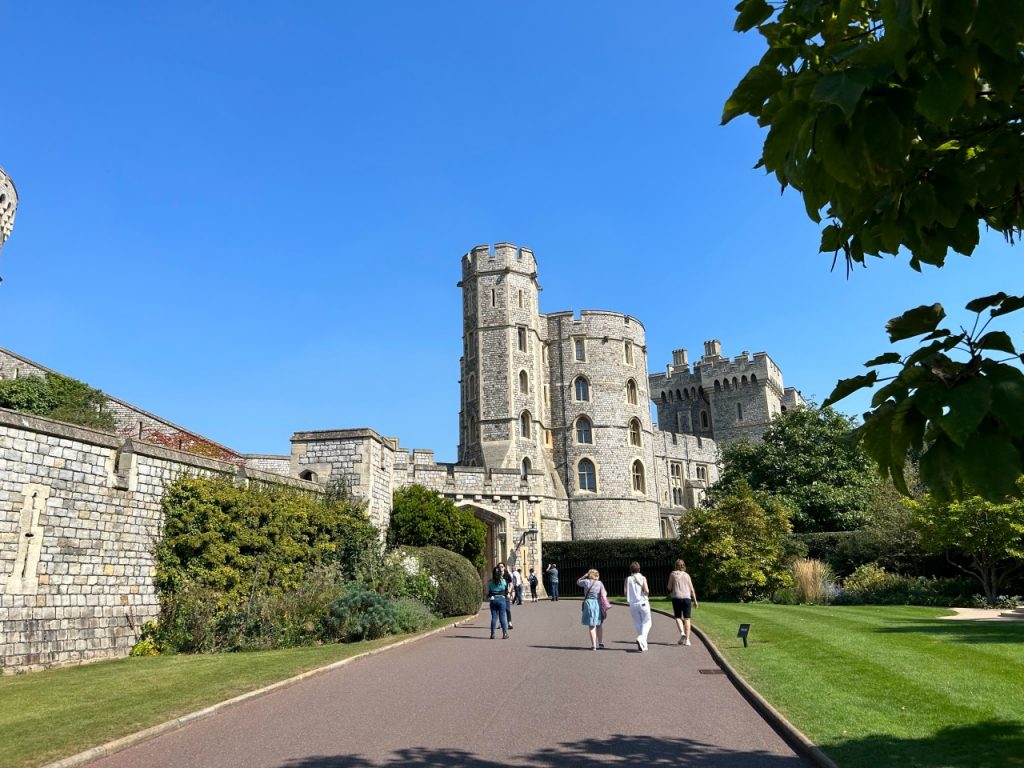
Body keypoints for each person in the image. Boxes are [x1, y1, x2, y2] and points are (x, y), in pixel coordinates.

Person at [667, 559, 698, 646]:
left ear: (675, 565)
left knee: (677, 617)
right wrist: (695, 601)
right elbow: (692, 589)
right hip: (687, 598)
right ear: (683, 566)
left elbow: (669, 587)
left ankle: (682, 632)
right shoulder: (687, 575)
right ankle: (687, 640)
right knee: (687, 618)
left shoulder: (672, 574)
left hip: (676, 598)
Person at [576, 568, 607, 650]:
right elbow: (604, 593)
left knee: (591, 626)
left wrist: (584, 576)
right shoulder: (600, 583)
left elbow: (578, 582)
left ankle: (594, 645)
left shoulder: (586, 582)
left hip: (588, 603)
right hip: (597, 603)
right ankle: (600, 643)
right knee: (599, 624)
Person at [624, 561, 652, 652]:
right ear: (639, 569)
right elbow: (647, 591)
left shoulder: (627, 579)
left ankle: (644, 644)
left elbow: (625, 593)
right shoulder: (643, 578)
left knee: (638, 624)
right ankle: (641, 638)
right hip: (643, 602)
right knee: (647, 623)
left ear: (630, 570)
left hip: (632, 604)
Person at [485, 566, 509, 639]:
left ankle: (492, 634)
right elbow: (506, 590)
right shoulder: (503, 581)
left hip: (493, 600)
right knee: (502, 617)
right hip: (502, 600)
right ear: (499, 573)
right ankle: (505, 634)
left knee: (494, 617)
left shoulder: (490, 582)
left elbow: (487, 592)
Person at [497, 562, 513, 629]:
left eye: (502, 566)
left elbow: (511, 584)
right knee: (501, 610)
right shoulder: (497, 575)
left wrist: (509, 592)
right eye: (499, 567)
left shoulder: (507, 575)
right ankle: (501, 623)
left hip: (506, 594)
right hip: (499, 595)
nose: (501, 568)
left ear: (504, 567)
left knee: (507, 609)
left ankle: (509, 622)